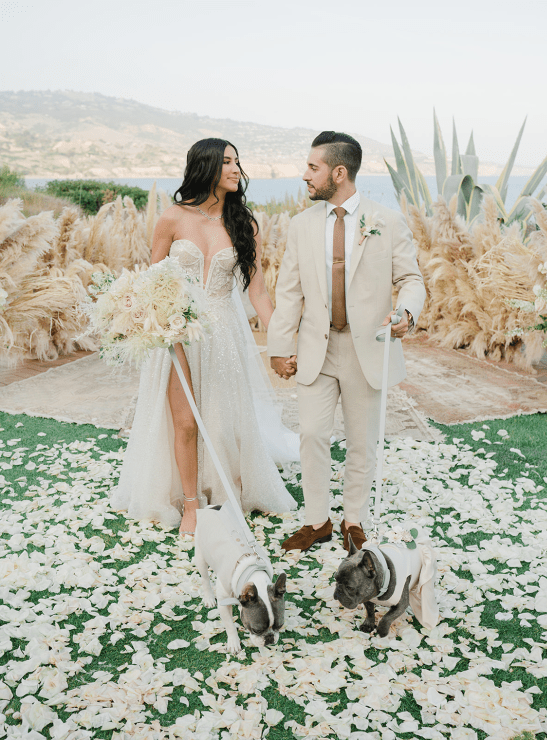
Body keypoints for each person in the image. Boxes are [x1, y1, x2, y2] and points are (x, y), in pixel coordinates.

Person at [113, 138, 298, 534]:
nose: (236, 169)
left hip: (224, 334)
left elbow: (259, 293)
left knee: (221, 419)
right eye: (227, 162)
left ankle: (228, 489)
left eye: (237, 162)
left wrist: (283, 341)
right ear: (206, 167)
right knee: (185, 422)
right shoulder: (172, 219)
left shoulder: (244, 224)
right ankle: (191, 505)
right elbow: (152, 283)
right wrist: (155, 323)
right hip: (177, 333)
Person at [267, 131, 425, 552]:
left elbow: (411, 279)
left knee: (361, 441)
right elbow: (289, 291)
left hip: (366, 350)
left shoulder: (387, 221)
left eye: (313, 168)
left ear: (339, 172)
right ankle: (316, 521)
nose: (305, 176)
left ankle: (353, 520)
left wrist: (406, 312)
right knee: (312, 435)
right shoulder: (301, 226)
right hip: (317, 349)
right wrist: (279, 347)